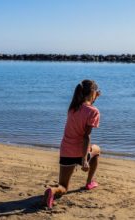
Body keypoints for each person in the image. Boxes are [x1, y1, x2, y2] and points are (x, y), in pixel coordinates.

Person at [43, 79, 102, 209]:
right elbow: (86, 136)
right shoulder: (93, 111)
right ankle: (89, 182)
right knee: (97, 149)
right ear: (93, 93)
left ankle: (52, 191)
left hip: (66, 150)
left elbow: (85, 106)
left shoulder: (72, 107)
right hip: (81, 152)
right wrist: (84, 160)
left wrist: (93, 97)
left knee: (63, 186)